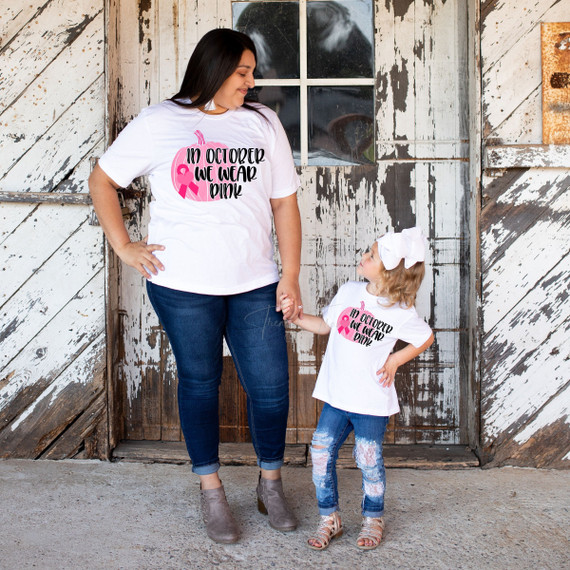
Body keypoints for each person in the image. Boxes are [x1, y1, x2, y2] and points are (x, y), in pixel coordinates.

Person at [88, 28, 302, 544]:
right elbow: (103, 180)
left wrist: (290, 275)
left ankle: (270, 483)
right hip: (182, 286)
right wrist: (124, 246)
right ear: (214, 69)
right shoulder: (161, 122)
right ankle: (210, 489)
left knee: (271, 390)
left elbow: (284, 205)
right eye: (242, 72)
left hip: (255, 283)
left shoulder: (263, 123)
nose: (250, 83)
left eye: (253, 73)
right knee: (200, 384)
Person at [281, 226, 434, 551]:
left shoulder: (402, 312)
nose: (363, 256)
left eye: (372, 255)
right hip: (338, 397)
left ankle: (373, 517)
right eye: (368, 251)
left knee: (367, 459)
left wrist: (394, 361)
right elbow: (325, 326)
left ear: (391, 273)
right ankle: (329, 517)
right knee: (321, 452)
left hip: (371, 403)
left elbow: (425, 338)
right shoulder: (350, 291)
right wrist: (297, 317)